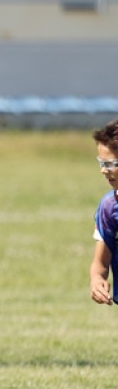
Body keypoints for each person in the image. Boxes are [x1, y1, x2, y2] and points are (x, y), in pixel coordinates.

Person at [90, 118, 118, 306]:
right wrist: (97, 279)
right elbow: (100, 263)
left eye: (109, 164)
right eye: (101, 163)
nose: (103, 170)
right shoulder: (109, 206)